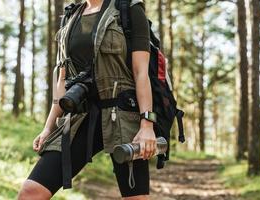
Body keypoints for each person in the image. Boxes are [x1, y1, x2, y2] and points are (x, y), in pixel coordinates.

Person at [17, 0, 157, 199]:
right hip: (79, 115)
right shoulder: (70, 16)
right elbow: (63, 79)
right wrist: (48, 127)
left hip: (123, 116)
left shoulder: (128, 9)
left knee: (136, 198)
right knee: (31, 191)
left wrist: (146, 125)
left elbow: (140, 72)